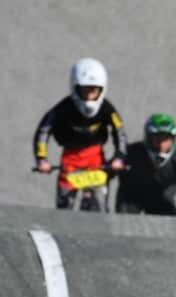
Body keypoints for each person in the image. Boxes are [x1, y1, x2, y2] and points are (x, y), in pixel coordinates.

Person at [33, 58, 128, 210]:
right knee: (65, 207)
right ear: (75, 88)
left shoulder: (106, 108)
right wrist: (42, 159)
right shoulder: (63, 108)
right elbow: (43, 131)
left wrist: (119, 157)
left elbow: (120, 132)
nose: (90, 96)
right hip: (70, 161)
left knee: (99, 205)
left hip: (95, 160)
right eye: (85, 90)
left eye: (94, 91)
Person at [116, 113, 176, 217]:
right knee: (124, 224)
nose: (161, 143)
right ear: (148, 138)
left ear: (173, 139)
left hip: (163, 200)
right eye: (157, 138)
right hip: (132, 198)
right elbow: (112, 170)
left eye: (166, 138)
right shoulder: (131, 153)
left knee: (169, 228)